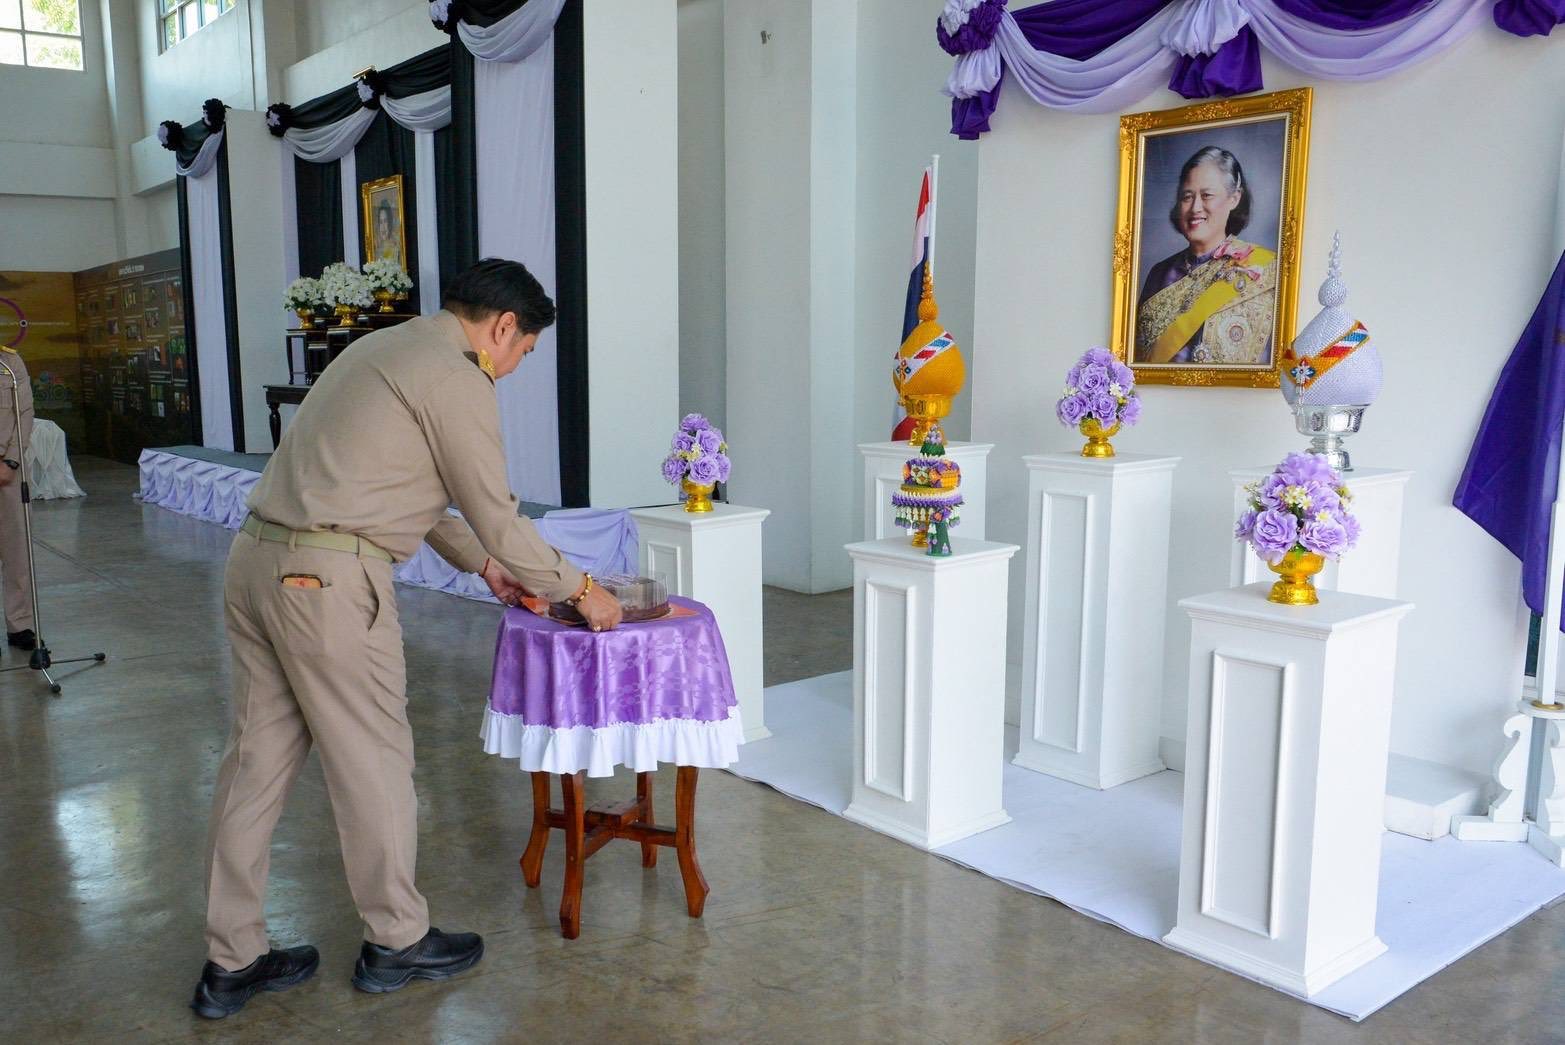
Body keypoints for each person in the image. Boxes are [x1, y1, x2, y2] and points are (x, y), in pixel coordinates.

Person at [191, 258, 623, 1019]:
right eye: (523, 351)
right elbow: (495, 512)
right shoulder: (457, 376)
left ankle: (233, 958)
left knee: (253, 763)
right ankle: (396, 939)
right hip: (327, 586)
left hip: (257, 562)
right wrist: (582, 590)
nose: (515, 367)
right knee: (374, 761)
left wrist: (482, 564)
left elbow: (401, 489)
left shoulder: (381, 348)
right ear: (502, 327)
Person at [1135, 145, 1277, 367]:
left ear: (1234, 198)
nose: (1195, 208)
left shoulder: (1263, 269)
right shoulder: (1159, 273)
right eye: (1187, 197)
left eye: (1207, 195)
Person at [0, 345, 34, 651]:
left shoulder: (10, 362)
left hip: (6, 471)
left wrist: (10, 461)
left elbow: (24, 413)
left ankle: (20, 624)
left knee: (16, 551)